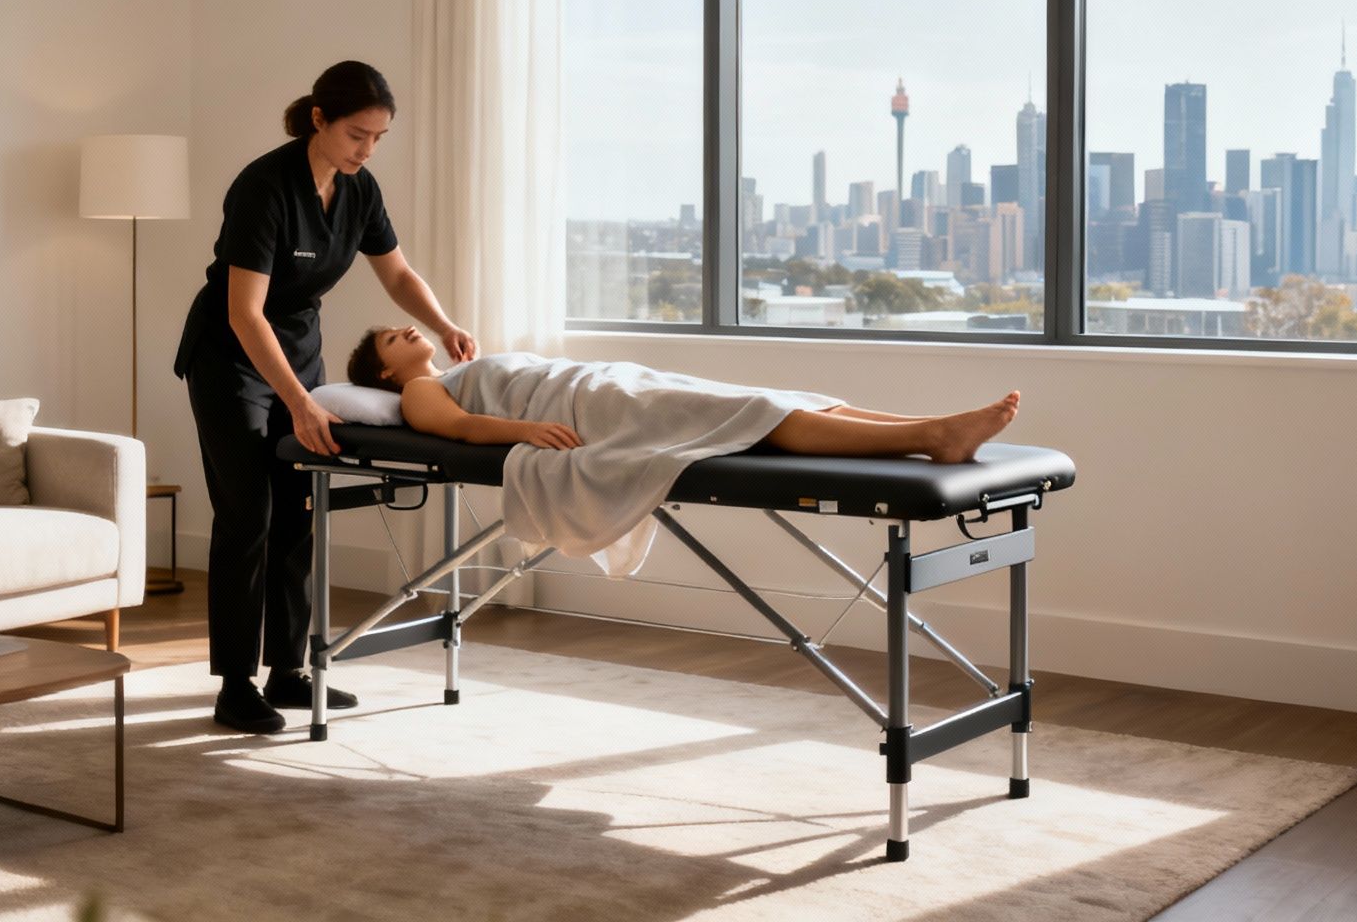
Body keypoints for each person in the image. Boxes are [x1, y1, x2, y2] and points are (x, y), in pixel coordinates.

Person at [175, 63, 475, 734]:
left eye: (377, 138)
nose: (365, 150)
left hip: (298, 352)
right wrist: (300, 402)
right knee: (247, 515)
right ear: (319, 118)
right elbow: (246, 314)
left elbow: (396, 272)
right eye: (356, 134)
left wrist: (444, 323)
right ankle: (234, 684)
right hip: (232, 359)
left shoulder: (358, 190)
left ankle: (287, 671)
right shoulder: (263, 188)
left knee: (296, 514)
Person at [344, 326, 1021, 575]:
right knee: (748, 408)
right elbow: (461, 430)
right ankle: (930, 437)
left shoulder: (446, 367)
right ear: (383, 375)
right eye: (392, 340)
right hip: (586, 406)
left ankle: (933, 429)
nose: (407, 332)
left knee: (769, 395)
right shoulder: (417, 394)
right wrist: (523, 432)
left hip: (601, 384)